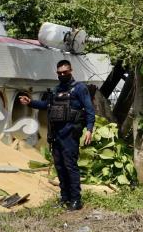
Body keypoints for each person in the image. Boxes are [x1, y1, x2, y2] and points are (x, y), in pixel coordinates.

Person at [19, 60, 95, 211]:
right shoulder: (56, 90)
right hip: (56, 134)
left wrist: (89, 129)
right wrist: (30, 102)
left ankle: (76, 200)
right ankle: (65, 198)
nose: (62, 75)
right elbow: (46, 105)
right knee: (60, 167)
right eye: (59, 73)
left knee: (70, 166)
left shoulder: (79, 88)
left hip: (71, 133)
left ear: (70, 71)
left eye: (64, 72)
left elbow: (89, 109)